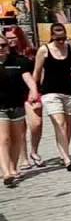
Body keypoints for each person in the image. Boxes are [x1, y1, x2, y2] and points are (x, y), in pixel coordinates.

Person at [32, 23, 71, 170]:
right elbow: (37, 71)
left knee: (67, 125)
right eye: (58, 38)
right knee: (59, 123)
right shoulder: (44, 50)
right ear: (52, 36)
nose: (61, 41)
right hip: (50, 91)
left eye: (63, 38)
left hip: (70, 91)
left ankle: (63, 153)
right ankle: (67, 159)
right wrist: (34, 90)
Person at [1, 33, 40, 187]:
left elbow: (28, 78)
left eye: (3, 45)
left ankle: (13, 167)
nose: (1, 49)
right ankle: (6, 172)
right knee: (3, 139)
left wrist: (33, 90)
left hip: (17, 104)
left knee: (17, 138)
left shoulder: (19, 62)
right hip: (0, 107)